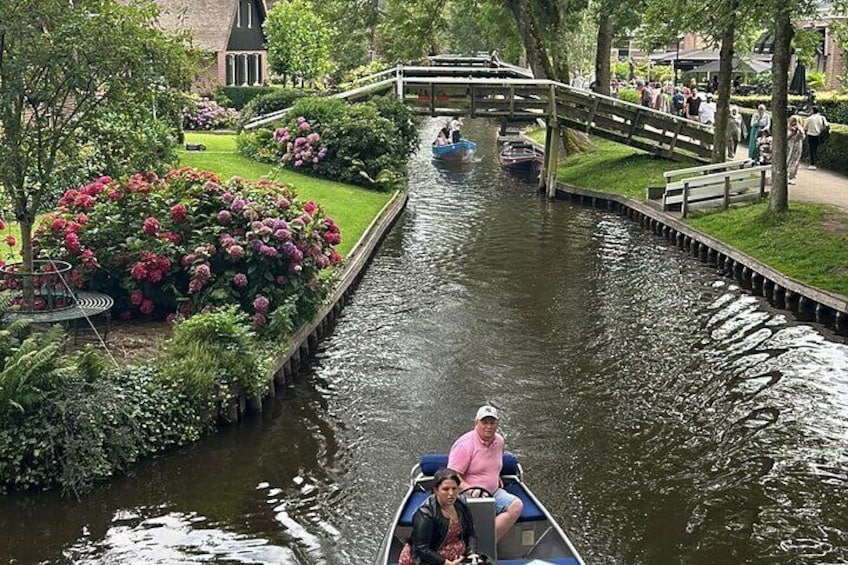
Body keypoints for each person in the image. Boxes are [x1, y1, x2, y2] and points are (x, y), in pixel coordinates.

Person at [448, 406, 523, 541]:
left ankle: (484, 544)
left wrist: (496, 476)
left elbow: (492, 463)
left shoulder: (499, 441)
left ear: (497, 424)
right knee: (478, 515)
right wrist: (470, 490)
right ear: (476, 423)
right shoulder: (465, 445)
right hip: (468, 495)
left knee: (516, 506)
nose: (488, 426)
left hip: (494, 492)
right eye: (484, 422)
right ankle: (474, 546)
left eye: (492, 423)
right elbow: (451, 476)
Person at [398, 468, 479, 565]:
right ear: (436, 490)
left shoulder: (462, 504)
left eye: (454, 488)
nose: (451, 493)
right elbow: (422, 549)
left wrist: (471, 552)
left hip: (456, 557)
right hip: (427, 560)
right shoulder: (425, 514)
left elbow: (470, 532)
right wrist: (446, 563)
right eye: (446, 489)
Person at [804, 105, 828, 170]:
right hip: (819, 135)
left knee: (812, 149)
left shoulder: (809, 119)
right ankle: (816, 162)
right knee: (816, 148)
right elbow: (826, 126)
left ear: (812, 111)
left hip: (811, 135)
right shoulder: (822, 118)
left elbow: (805, 128)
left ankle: (812, 163)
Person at [787, 115, 805, 184]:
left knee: (795, 161)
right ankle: (787, 175)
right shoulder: (788, 128)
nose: (794, 123)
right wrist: (792, 133)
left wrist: (799, 131)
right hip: (789, 147)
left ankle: (792, 176)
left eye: (796, 121)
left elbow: (802, 137)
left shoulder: (800, 129)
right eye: (793, 121)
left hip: (797, 147)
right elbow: (786, 139)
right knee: (788, 160)